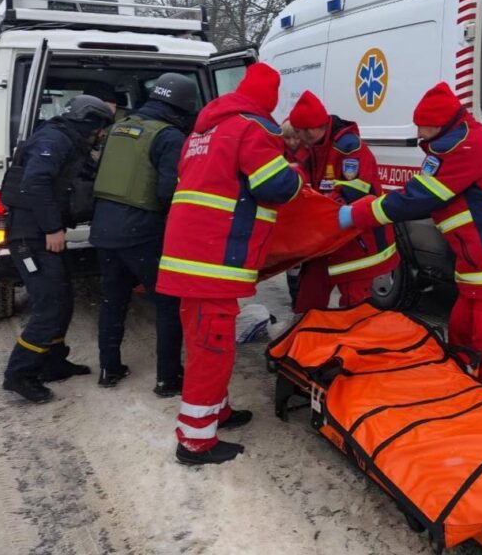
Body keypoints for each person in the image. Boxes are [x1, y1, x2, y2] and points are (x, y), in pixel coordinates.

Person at [340, 82, 482, 404]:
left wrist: (357, 214)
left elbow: (418, 199)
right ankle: (465, 396)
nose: (419, 135)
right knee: (461, 329)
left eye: (423, 128)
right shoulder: (463, 139)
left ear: (439, 125)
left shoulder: (462, 148)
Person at [156, 63, 303, 465]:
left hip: (189, 255)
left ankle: (215, 412)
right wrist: (296, 176)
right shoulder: (253, 129)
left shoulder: (203, 130)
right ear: (269, 100)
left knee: (203, 341)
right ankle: (195, 441)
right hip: (214, 260)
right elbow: (274, 187)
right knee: (212, 349)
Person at [1, 95, 114, 403]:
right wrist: (52, 228)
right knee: (49, 305)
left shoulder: (68, 140)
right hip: (31, 236)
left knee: (63, 299)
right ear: (88, 121)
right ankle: (19, 374)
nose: (101, 134)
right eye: (100, 127)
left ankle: (52, 361)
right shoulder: (53, 140)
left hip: (43, 233)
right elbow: (35, 184)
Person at [90, 73, 197, 395]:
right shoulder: (168, 136)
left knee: (113, 299)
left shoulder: (118, 127)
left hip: (103, 227)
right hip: (141, 230)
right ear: (181, 107)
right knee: (168, 302)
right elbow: (168, 191)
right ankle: (168, 378)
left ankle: (109, 368)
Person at [288, 90, 398, 313]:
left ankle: (355, 345)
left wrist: (318, 208)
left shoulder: (348, 147)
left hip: (356, 240)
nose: (298, 139)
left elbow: (354, 191)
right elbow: (303, 178)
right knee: (308, 299)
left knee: (354, 305)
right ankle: (305, 340)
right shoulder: (312, 148)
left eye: (300, 133)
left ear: (312, 129)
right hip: (325, 237)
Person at [281, 120, 310, 309]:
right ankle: (295, 299)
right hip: (289, 213)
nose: (291, 142)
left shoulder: (307, 154)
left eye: (295, 137)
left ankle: (301, 299)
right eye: (287, 138)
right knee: (291, 264)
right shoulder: (278, 152)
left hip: (304, 211)